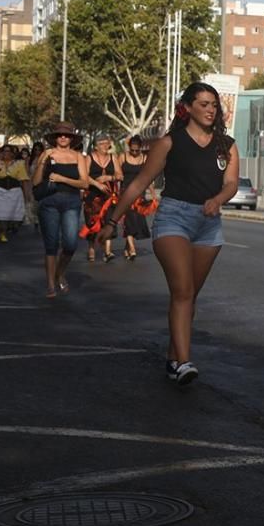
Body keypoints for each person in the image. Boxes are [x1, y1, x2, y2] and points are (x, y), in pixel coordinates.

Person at [98, 82, 239, 386]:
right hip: (174, 217)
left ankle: (173, 357)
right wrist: (112, 220)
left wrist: (218, 200)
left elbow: (231, 183)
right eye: (203, 104)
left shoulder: (225, 145)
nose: (210, 109)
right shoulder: (169, 142)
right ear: (187, 108)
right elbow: (138, 184)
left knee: (189, 295)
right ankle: (184, 362)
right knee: (183, 291)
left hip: (208, 223)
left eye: (213, 104)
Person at [32, 122, 89, 297]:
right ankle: (50, 284)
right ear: (55, 138)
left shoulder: (78, 156)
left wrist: (62, 178)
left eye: (67, 135)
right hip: (49, 202)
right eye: (60, 135)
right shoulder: (47, 155)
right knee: (51, 244)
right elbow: (35, 182)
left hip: (71, 201)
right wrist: (43, 159)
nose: (63, 138)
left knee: (71, 244)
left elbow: (84, 183)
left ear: (72, 138)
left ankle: (59, 273)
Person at [83, 133, 121, 262]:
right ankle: (92, 248)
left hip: (109, 196)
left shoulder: (113, 157)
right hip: (93, 196)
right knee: (92, 222)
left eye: (107, 143)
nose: (105, 146)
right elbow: (84, 176)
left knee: (109, 220)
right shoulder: (89, 158)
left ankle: (108, 251)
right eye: (101, 144)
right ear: (95, 146)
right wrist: (97, 184)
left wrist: (108, 177)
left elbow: (119, 175)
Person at [115, 135, 153, 260]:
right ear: (129, 148)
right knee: (128, 220)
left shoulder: (145, 158)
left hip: (139, 193)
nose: (135, 152)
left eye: (137, 150)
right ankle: (132, 249)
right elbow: (116, 173)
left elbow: (148, 177)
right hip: (125, 192)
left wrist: (152, 194)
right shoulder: (122, 157)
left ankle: (127, 247)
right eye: (132, 150)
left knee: (136, 220)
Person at [0, 146, 30, 243]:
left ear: (13, 153)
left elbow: (24, 180)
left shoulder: (19, 164)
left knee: (8, 213)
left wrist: (26, 194)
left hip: (13, 192)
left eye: (8, 151)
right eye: (4, 151)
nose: (6, 153)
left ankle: (3, 233)